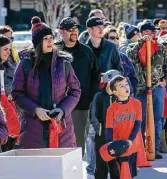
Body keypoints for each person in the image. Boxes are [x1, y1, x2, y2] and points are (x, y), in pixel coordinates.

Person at [12, 16, 81, 149]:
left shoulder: (63, 62)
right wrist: (36, 110)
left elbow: (75, 91)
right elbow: (17, 93)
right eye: (45, 39)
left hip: (61, 128)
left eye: (51, 38)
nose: (50, 42)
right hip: (33, 128)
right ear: (38, 42)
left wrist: (62, 109)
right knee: (36, 167)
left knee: (59, 167)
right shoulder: (26, 64)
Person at [127, 21, 167, 159]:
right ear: (141, 33)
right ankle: (139, 150)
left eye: (152, 32)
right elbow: (131, 57)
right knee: (140, 120)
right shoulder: (132, 47)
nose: (149, 34)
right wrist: (141, 43)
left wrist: (165, 80)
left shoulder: (160, 48)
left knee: (157, 120)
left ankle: (154, 148)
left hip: (157, 88)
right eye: (146, 32)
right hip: (140, 89)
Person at [55, 17, 99, 156]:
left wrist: (90, 98)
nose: (74, 32)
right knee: (58, 143)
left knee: (79, 143)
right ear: (61, 32)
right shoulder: (54, 51)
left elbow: (95, 76)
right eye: (70, 29)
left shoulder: (87, 51)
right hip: (57, 105)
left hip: (81, 105)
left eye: (75, 29)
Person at [106, 75, 140, 178]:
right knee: (117, 174)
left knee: (131, 173)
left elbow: (138, 124)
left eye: (126, 84)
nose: (126, 87)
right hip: (117, 147)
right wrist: (111, 146)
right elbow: (109, 130)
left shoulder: (137, 104)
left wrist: (130, 140)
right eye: (121, 86)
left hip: (132, 145)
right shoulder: (111, 109)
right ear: (115, 92)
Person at [90, 70, 119, 179]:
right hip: (102, 134)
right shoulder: (99, 96)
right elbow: (93, 115)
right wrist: (100, 128)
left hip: (117, 134)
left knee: (115, 163)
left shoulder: (120, 98)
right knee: (101, 162)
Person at [104, 26, 138, 95]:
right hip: (107, 96)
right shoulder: (100, 56)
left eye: (117, 38)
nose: (115, 40)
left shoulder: (123, 57)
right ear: (105, 39)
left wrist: (132, 91)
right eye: (112, 38)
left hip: (125, 97)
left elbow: (133, 76)